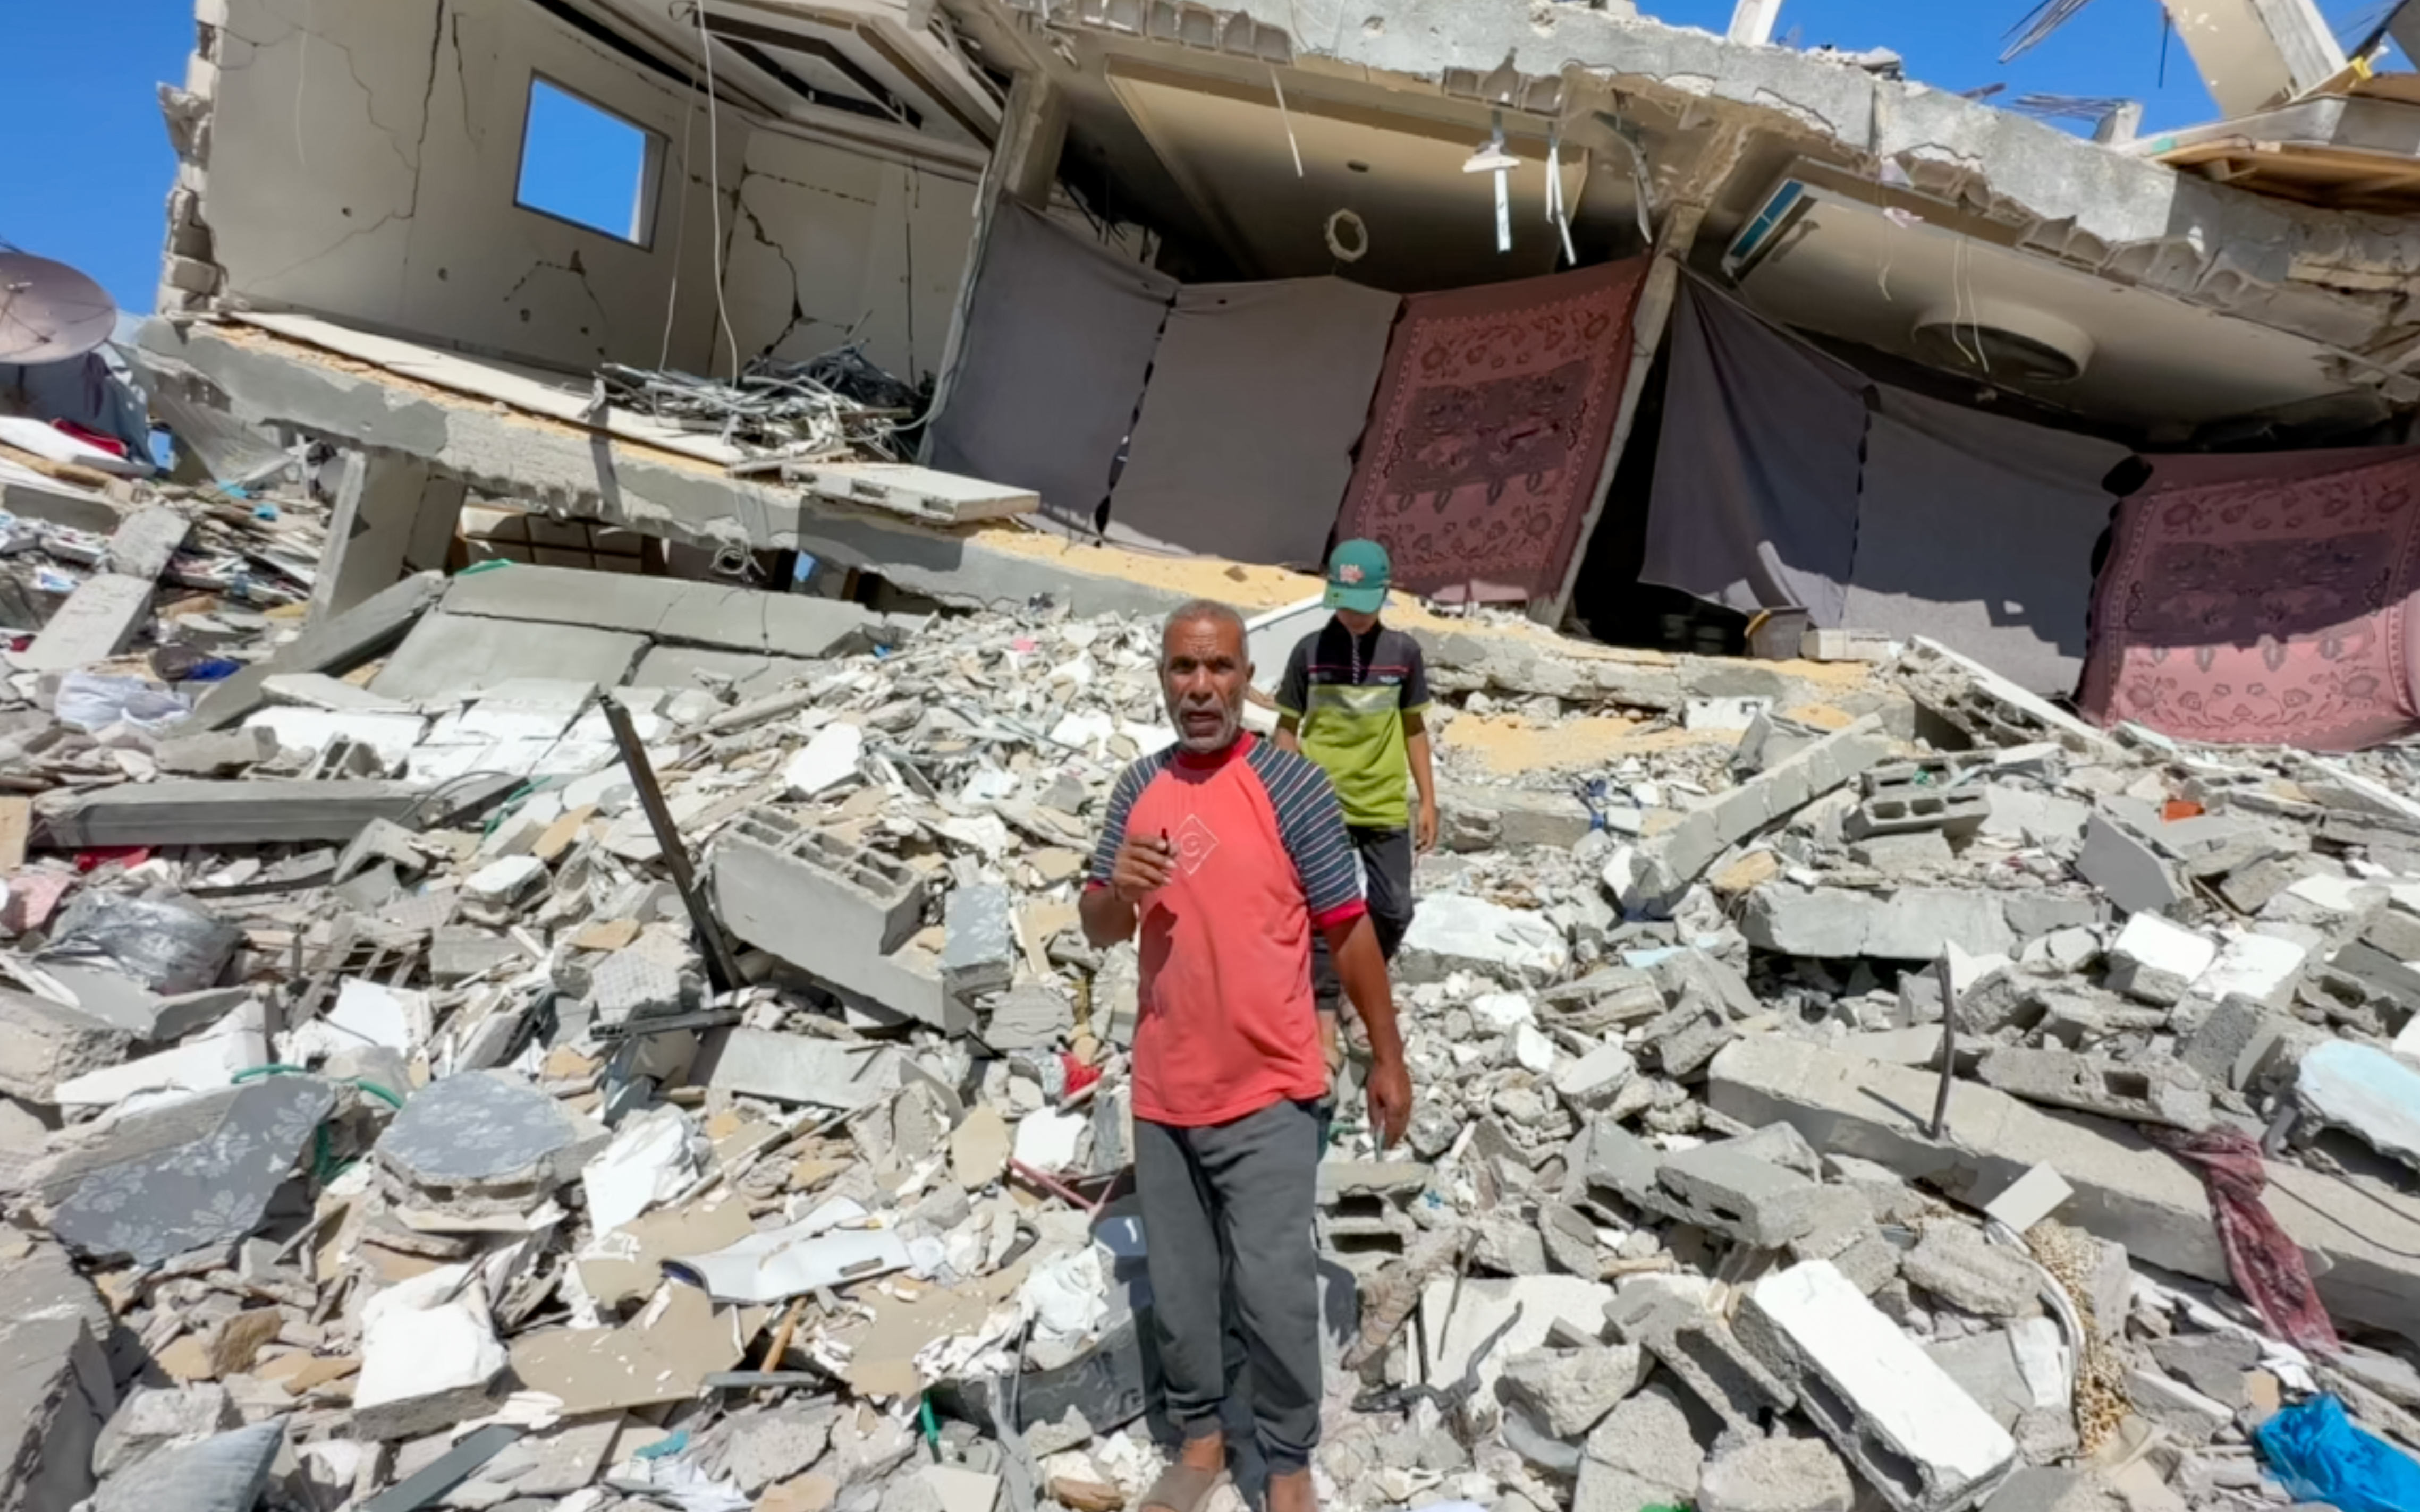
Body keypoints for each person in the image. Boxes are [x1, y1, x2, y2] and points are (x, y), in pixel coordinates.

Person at [1082, 599, 1413, 1512]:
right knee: (1182, 1288)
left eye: (1219, 669)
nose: (1201, 689)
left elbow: (1345, 930)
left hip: (1268, 1087)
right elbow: (1097, 923)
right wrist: (1120, 888)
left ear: (1245, 680)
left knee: (1271, 1288)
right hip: (1163, 1088)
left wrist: (1386, 1057)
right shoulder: (1135, 791)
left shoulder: (1290, 785)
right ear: (1162, 678)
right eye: (1183, 670)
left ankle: (1285, 1456)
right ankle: (1198, 1438)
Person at [1274, 539, 1436, 1061]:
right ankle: (1322, 1020)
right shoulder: (1309, 652)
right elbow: (1286, 728)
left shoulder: (1404, 654)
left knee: (1394, 907)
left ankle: (1355, 984)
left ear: (1384, 594)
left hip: (1384, 803)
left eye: (1362, 606)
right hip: (1321, 805)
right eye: (1344, 604)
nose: (1353, 616)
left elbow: (1414, 728)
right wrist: (1288, 793)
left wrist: (1428, 800)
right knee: (1328, 912)